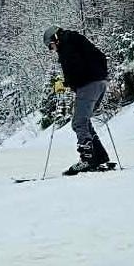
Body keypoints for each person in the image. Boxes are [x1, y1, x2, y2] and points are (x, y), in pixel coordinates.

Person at [43, 26, 112, 174]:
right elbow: (99, 57)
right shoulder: (75, 40)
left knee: (79, 122)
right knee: (84, 121)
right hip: (100, 82)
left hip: (89, 84)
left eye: (51, 46)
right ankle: (99, 156)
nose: (52, 49)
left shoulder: (67, 46)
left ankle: (87, 159)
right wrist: (100, 76)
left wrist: (64, 83)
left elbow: (75, 68)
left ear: (55, 38)